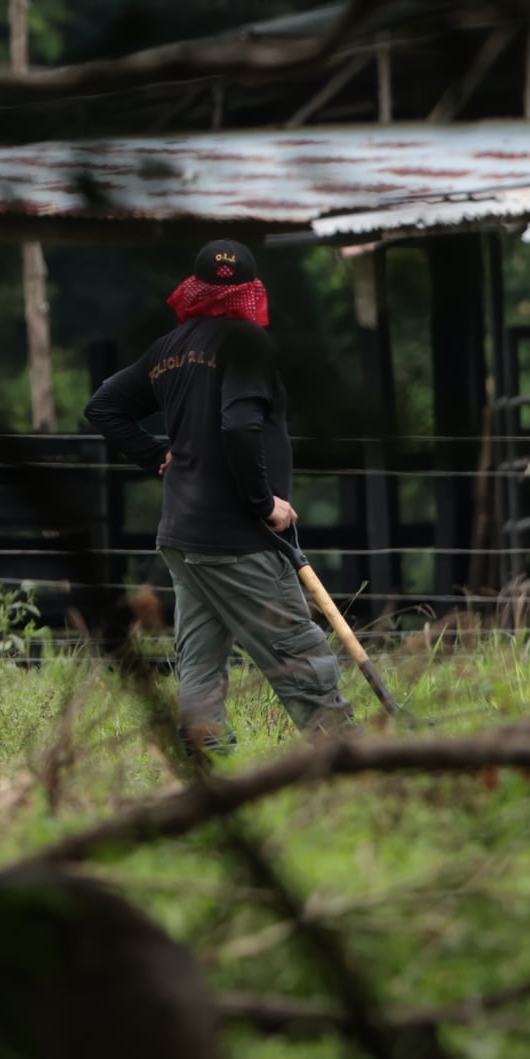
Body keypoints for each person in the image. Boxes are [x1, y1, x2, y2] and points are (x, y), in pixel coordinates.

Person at [84, 238, 352, 753]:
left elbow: (104, 406)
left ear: (196, 288)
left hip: (184, 536)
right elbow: (239, 424)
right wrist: (262, 502)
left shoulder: (169, 349)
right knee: (296, 645)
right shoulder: (247, 345)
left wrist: (151, 453)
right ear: (252, 291)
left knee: (201, 655)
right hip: (236, 537)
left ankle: (205, 759)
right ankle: (346, 752)